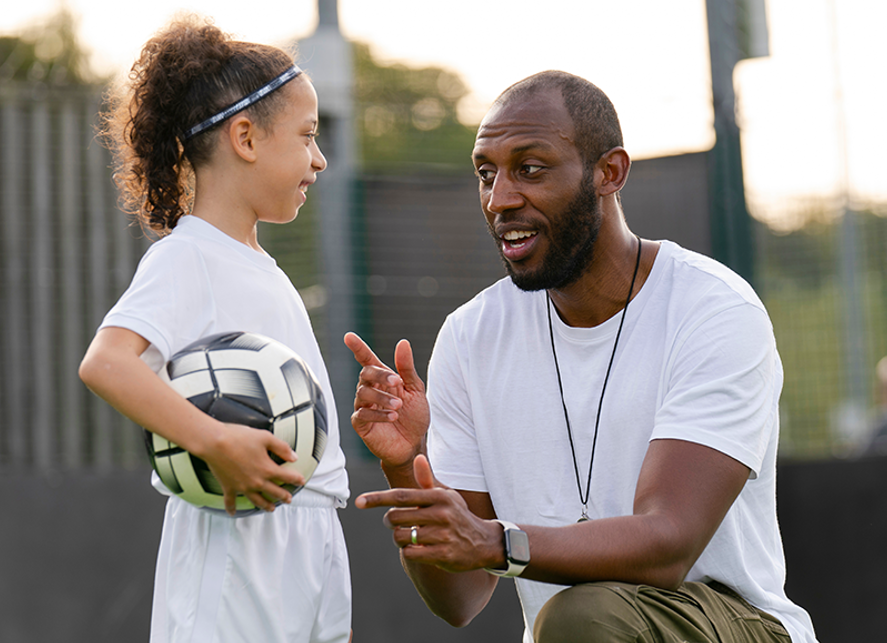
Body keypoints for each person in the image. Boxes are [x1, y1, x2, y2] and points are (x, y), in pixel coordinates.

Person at [344, 71, 816, 643]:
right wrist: (409, 464)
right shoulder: (471, 337)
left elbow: (669, 542)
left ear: (608, 173)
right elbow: (460, 599)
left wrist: (497, 541)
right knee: (575, 619)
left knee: (580, 615)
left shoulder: (712, 308)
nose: (500, 199)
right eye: (486, 174)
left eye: (530, 169)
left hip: (732, 625)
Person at [78, 16, 351, 643]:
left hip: (310, 534)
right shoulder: (188, 256)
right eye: (307, 136)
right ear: (246, 137)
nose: (321, 157)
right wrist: (214, 441)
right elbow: (107, 362)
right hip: (236, 538)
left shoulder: (261, 266)